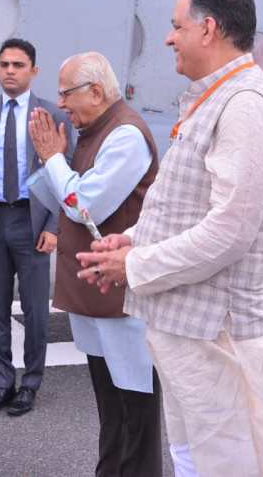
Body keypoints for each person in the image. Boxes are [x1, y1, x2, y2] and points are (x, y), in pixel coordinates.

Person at [76, 0, 263, 477]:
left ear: (208, 29)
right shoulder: (215, 99)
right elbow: (186, 208)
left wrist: (135, 263)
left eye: (176, 26)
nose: (169, 38)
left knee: (225, 469)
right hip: (190, 335)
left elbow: (229, 232)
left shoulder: (246, 106)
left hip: (218, 339)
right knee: (192, 462)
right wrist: (133, 240)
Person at [27, 51, 162, 476]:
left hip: (120, 301)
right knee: (111, 410)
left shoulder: (125, 136)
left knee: (134, 414)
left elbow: (85, 205)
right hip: (93, 293)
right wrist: (55, 164)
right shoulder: (95, 131)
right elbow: (69, 201)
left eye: (66, 94)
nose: (61, 104)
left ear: (97, 92)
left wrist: (53, 160)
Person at [0, 38, 72, 417]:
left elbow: (62, 177)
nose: (9, 71)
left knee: (36, 310)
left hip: (31, 220)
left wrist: (54, 225)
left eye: (18, 65)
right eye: (4, 64)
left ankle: (30, 385)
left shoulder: (52, 115)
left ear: (33, 71)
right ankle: (3, 383)